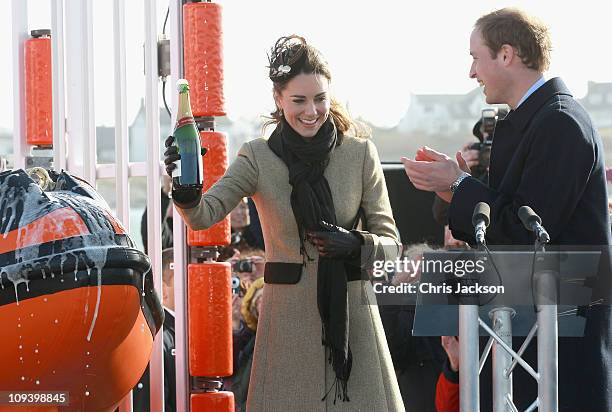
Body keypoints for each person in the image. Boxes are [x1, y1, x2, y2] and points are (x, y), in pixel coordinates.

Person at [164, 35, 404, 411]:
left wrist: (357, 244)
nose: (311, 111)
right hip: (286, 329)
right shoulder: (257, 156)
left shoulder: (359, 153)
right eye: (299, 100)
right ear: (278, 99)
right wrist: (184, 189)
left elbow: (392, 243)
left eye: (319, 99)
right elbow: (203, 215)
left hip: (354, 319)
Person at [403, 8, 611, 411]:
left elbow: (528, 232)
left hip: (557, 357)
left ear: (506, 54)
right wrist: (456, 189)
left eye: (474, 57)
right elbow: (507, 218)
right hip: (525, 345)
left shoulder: (560, 123)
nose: (471, 73)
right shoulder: (535, 120)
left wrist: (460, 186)